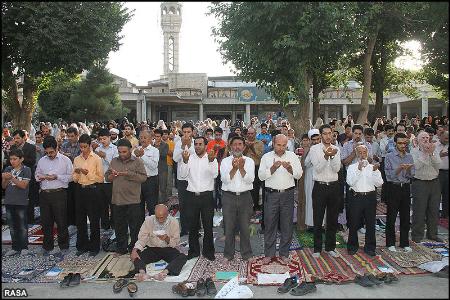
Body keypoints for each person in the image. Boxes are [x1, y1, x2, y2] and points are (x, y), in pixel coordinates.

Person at [258, 134, 303, 260]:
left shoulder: (292, 156)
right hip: (271, 194)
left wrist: (290, 169)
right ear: (273, 143)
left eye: (284, 145)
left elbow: (299, 175)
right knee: (270, 224)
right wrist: (272, 168)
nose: (281, 148)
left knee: (286, 225)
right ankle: (269, 254)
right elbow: (261, 176)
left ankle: (284, 254)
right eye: (279, 145)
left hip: (288, 194)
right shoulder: (266, 157)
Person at [179, 136, 218, 261]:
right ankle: (194, 251)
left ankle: (208, 251)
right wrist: (184, 162)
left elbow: (215, 174)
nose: (198, 146)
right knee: (193, 226)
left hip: (206, 197)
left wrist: (211, 161)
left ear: (206, 146)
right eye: (196, 144)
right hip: (191, 196)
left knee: (208, 225)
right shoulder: (188, 157)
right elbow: (183, 175)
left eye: (200, 144)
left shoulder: (211, 158)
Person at [106, 138, 147, 255]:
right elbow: (107, 177)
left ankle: (134, 249)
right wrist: (112, 176)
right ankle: (121, 248)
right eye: (119, 152)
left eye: (124, 152)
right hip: (118, 200)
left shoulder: (137, 162)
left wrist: (128, 174)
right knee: (119, 227)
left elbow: (143, 177)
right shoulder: (114, 161)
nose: (122, 154)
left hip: (133, 200)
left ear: (130, 150)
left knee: (135, 228)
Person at [35, 136, 73, 256]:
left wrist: (57, 177)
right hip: (45, 194)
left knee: (61, 221)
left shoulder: (65, 160)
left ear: (57, 148)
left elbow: (71, 177)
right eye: (47, 152)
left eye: (51, 152)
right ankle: (47, 246)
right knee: (46, 222)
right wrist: (42, 177)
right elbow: (37, 175)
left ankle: (63, 246)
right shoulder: (42, 160)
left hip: (59, 193)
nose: (50, 154)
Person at [132, 204, 188, 281]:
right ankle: (142, 273)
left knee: (182, 257)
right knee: (136, 256)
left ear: (167, 214)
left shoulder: (174, 222)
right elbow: (142, 238)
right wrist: (135, 250)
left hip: (168, 249)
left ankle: (163, 273)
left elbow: (176, 242)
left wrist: (167, 239)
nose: (159, 220)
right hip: (152, 249)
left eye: (162, 218)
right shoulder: (148, 220)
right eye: (157, 217)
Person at [309, 124, 341, 258]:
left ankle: (330, 247)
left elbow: (337, 169)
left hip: (334, 186)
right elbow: (318, 168)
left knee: (332, 218)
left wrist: (332, 156)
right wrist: (326, 156)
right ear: (321, 135)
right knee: (318, 218)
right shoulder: (314, 149)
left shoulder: (336, 149)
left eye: (330, 133)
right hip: (320, 186)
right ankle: (317, 249)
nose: (328, 136)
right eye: (325, 133)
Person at [221, 136, 255, 261]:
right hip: (228, 197)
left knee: (245, 227)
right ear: (230, 147)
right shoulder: (225, 161)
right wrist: (234, 168)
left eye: (240, 144)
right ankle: (228, 254)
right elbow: (224, 180)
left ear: (244, 147)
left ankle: (247, 253)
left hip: (245, 197)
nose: (237, 147)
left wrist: (241, 167)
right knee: (229, 227)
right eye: (234, 144)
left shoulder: (249, 161)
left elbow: (250, 180)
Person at [346, 145, 383, 256]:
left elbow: (379, 183)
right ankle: (352, 246)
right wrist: (359, 169)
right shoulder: (352, 167)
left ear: (367, 154)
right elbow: (350, 182)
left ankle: (370, 247)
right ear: (356, 154)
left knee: (370, 223)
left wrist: (376, 171)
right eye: (360, 152)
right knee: (353, 222)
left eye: (364, 152)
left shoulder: (373, 167)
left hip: (370, 197)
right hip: (356, 197)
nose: (362, 155)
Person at [72, 134, 104, 256]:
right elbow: (74, 178)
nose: (83, 149)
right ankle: (82, 245)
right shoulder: (77, 159)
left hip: (93, 189)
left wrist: (88, 173)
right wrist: (78, 173)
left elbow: (100, 178)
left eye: (85, 147)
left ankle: (94, 247)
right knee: (80, 219)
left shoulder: (96, 159)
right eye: (81, 147)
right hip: (80, 190)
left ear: (90, 146)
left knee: (94, 219)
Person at [384, 133, 415, 252]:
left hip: (406, 187)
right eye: (400, 143)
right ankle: (390, 243)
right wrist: (399, 169)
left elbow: (411, 175)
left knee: (405, 216)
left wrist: (406, 170)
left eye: (405, 143)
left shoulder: (409, 157)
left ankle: (404, 242)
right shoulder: (389, 156)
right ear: (395, 144)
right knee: (391, 216)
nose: (403, 145)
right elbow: (389, 176)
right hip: (394, 187)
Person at [411, 131, 442, 243]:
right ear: (417, 141)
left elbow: (439, 165)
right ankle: (417, 236)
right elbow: (416, 167)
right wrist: (425, 153)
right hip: (420, 183)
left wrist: (432, 153)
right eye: (423, 138)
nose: (425, 139)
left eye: (427, 137)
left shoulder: (435, 150)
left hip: (434, 182)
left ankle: (432, 234)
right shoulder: (414, 152)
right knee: (419, 210)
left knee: (434, 210)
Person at [2, 149, 32, 256]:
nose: (12, 161)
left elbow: (23, 185)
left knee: (22, 226)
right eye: (10, 159)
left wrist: (12, 178)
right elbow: (3, 186)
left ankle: (24, 247)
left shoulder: (26, 170)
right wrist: (5, 179)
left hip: (21, 202)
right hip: (9, 201)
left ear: (21, 159)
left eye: (15, 159)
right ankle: (15, 247)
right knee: (12, 227)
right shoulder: (8, 169)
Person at [173, 123, 196, 236]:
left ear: (193, 132)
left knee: (194, 204)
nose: (186, 134)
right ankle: (184, 228)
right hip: (182, 177)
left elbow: (197, 156)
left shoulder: (196, 143)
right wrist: (183, 146)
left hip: (194, 177)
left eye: (189, 132)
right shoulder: (178, 143)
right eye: (184, 132)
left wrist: (189, 147)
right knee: (183, 204)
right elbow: (175, 158)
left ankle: (194, 228)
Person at [95, 128, 119, 230]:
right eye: (100, 139)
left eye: (104, 139)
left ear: (109, 137)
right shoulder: (97, 149)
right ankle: (104, 224)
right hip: (99, 180)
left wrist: (105, 157)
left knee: (113, 204)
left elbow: (115, 165)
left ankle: (114, 223)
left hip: (110, 181)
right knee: (101, 204)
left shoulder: (115, 149)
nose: (102, 141)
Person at [134, 130, 160, 216]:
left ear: (150, 139)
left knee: (152, 206)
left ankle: (153, 227)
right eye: (141, 137)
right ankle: (140, 228)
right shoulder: (135, 150)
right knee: (138, 206)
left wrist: (142, 156)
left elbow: (153, 166)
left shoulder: (155, 151)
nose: (142, 140)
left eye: (145, 138)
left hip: (151, 181)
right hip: (138, 181)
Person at [60, 126, 81, 226]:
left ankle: (78, 222)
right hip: (67, 176)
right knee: (68, 201)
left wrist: (70, 158)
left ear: (77, 135)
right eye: (68, 136)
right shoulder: (64, 145)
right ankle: (70, 221)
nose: (70, 138)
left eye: (72, 136)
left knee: (77, 201)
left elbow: (80, 160)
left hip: (78, 177)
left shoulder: (81, 145)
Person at [243, 127, 264, 211]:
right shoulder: (242, 143)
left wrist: (252, 148)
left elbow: (260, 156)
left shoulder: (260, 143)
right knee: (246, 187)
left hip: (256, 167)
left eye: (252, 133)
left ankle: (255, 206)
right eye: (248, 133)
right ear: (246, 134)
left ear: (255, 134)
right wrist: (247, 147)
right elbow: (241, 154)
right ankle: (246, 206)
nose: (250, 135)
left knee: (255, 187)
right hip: (245, 167)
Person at [304, 129, 321, 229]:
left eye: (317, 139)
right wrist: (312, 153)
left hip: (322, 179)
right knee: (310, 200)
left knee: (322, 202)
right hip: (310, 178)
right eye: (313, 140)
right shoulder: (309, 150)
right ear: (310, 140)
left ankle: (321, 225)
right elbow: (306, 163)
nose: (315, 141)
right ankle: (311, 224)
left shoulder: (325, 148)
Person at [207, 127, 227, 210]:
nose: (218, 136)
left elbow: (225, 157)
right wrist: (214, 149)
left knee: (221, 188)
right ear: (214, 134)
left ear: (222, 135)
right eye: (216, 135)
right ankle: (214, 204)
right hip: (213, 169)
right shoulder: (210, 143)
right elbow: (209, 156)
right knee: (213, 188)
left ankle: (221, 204)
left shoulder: (224, 143)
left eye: (219, 135)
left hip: (222, 169)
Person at [153, 129, 169, 204]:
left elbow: (163, 155)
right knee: (154, 188)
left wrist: (156, 149)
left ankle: (163, 204)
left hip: (162, 169)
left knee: (162, 187)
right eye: (155, 136)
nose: (157, 138)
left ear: (161, 137)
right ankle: (155, 204)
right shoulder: (151, 145)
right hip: (153, 169)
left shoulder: (165, 145)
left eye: (158, 136)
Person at [436, 131, 448, 218]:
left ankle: (445, 214)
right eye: (445, 138)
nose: (447, 140)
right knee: (436, 194)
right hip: (438, 172)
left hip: (448, 172)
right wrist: (439, 155)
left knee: (447, 194)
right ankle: (434, 214)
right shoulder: (435, 145)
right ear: (440, 136)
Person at [162, 129, 175, 199]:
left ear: (168, 135)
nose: (164, 135)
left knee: (168, 181)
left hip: (168, 164)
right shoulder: (157, 143)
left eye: (166, 134)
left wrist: (164, 147)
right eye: (163, 134)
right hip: (159, 165)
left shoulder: (171, 143)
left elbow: (172, 154)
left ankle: (169, 198)